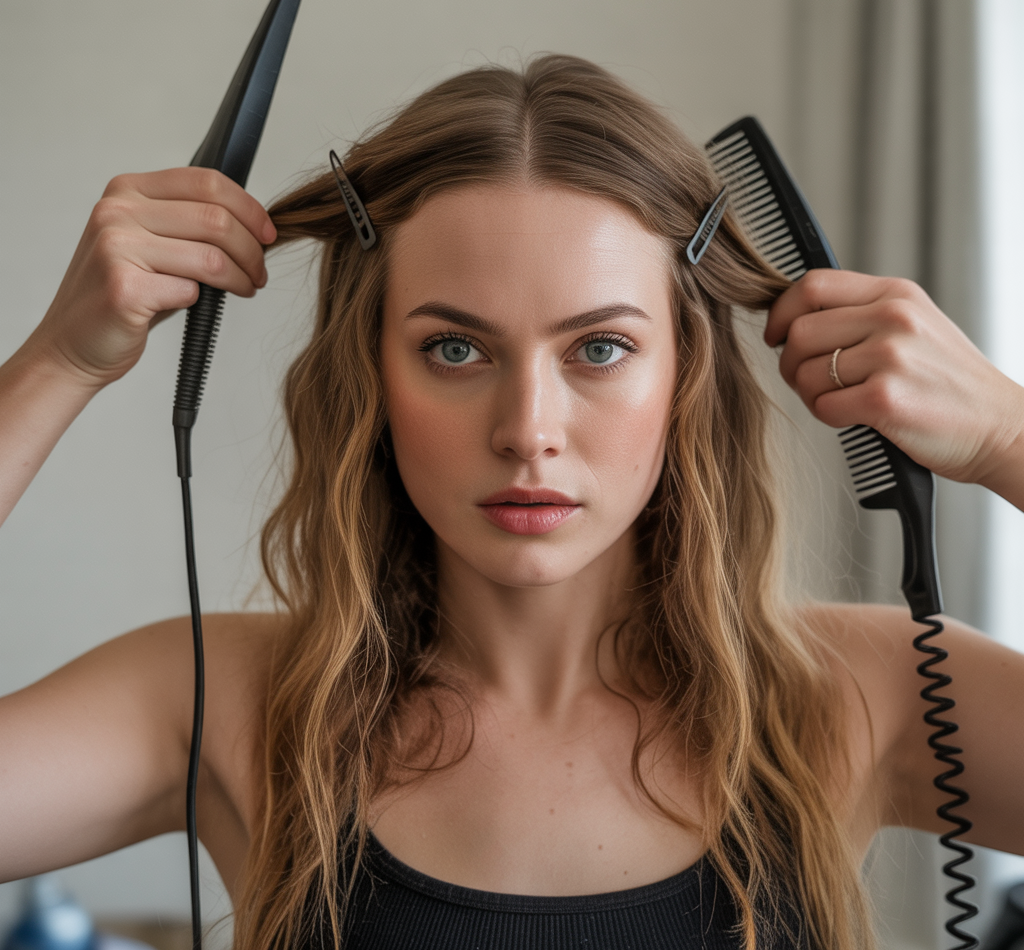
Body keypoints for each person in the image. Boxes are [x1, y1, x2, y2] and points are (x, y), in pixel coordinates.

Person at [0, 55, 1022, 950]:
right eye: (455, 348)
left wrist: (1008, 438)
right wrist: (55, 363)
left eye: (600, 348)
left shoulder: (860, 695)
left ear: (686, 376)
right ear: (370, 373)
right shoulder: (219, 701)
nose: (527, 427)